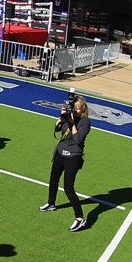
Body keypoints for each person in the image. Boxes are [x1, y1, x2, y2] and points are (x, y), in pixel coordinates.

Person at [40, 95, 92, 232]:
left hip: (73, 157)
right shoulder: (69, 116)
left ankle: (80, 218)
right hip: (60, 153)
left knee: (68, 188)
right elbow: (58, 129)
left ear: (83, 110)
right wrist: (61, 118)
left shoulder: (85, 122)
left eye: (77, 109)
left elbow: (78, 140)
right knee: (53, 179)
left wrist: (72, 123)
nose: (75, 111)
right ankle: (51, 203)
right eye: (73, 108)